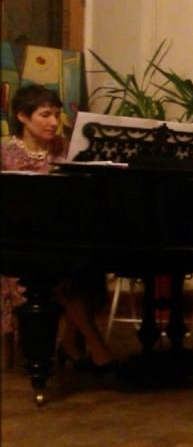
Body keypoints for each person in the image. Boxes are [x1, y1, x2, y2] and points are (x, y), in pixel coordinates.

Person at [1, 85, 116, 370]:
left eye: (56, 114)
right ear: (23, 117)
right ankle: (95, 346)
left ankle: (71, 341)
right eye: (45, 115)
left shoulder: (65, 149)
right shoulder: (5, 152)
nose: (54, 122)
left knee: (87, 266)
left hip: (60, 237)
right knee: (63, 273)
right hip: (18, 243)